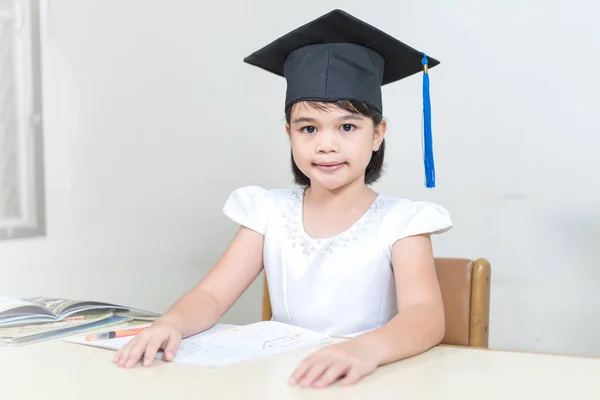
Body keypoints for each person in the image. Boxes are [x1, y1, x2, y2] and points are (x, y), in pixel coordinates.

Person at [113, 9, 453, 388]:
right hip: (284, 378)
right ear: (288, 133)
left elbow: (424, 315)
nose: (326, 144)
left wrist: (363, 351)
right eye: (308, 128)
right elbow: (210, 294)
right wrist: (171, 323)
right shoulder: (268, 212)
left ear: (377, 135)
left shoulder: (403, 222)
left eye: (347, 126)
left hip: (366, 375)